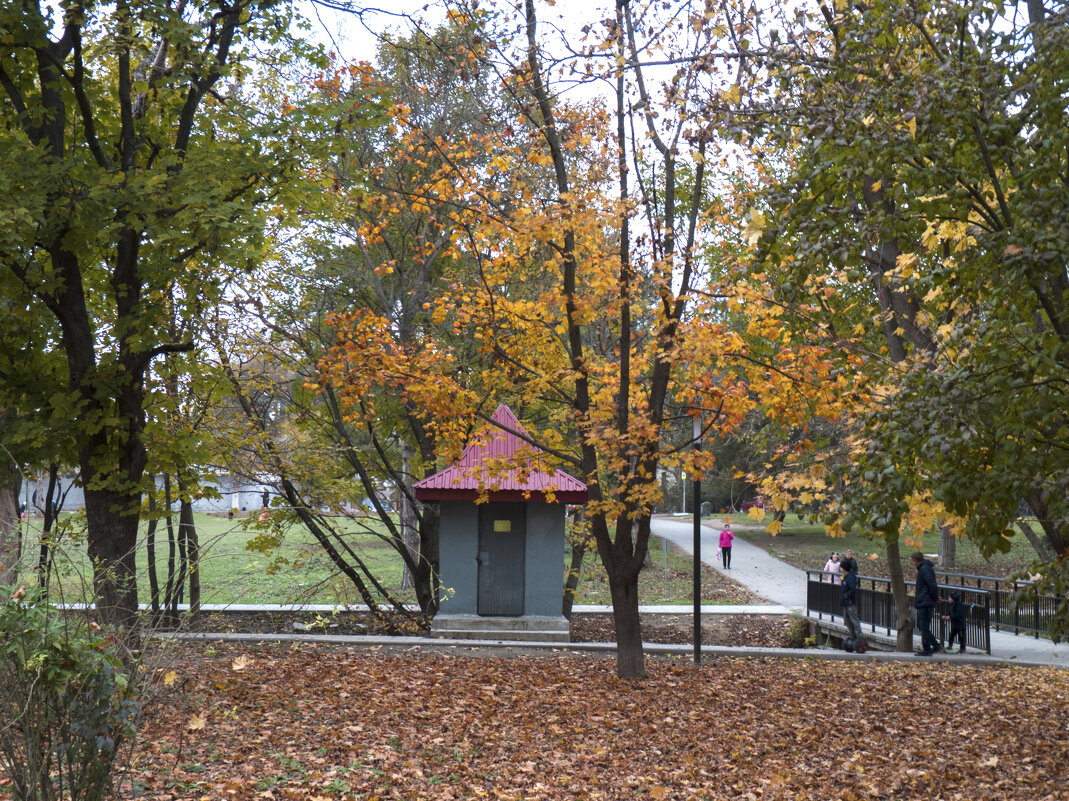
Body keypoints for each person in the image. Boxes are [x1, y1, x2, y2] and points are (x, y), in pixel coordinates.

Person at [912, 550, 942, 656]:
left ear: (916, 560)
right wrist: (935, 597)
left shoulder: (924, 569)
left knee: (923, 626)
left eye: (913, 562)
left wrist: (934, 597)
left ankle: (927, 648)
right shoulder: (925, 568)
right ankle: (935, 645)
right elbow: (931, 585)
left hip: (925, 601)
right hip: (926, 600)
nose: (914, 564)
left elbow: (931, 585)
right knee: (921, 625)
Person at [839, 557, 866, 652]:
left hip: (850, 603)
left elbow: (853, 589)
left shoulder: (850, 577)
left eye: (841, 567)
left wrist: (846, 596)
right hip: (845, 603)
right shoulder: (845, 577)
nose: (840, 569)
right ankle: (853, 635)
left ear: (844, 568)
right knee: (846, 620)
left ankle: (859, 637)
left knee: (854, 620)